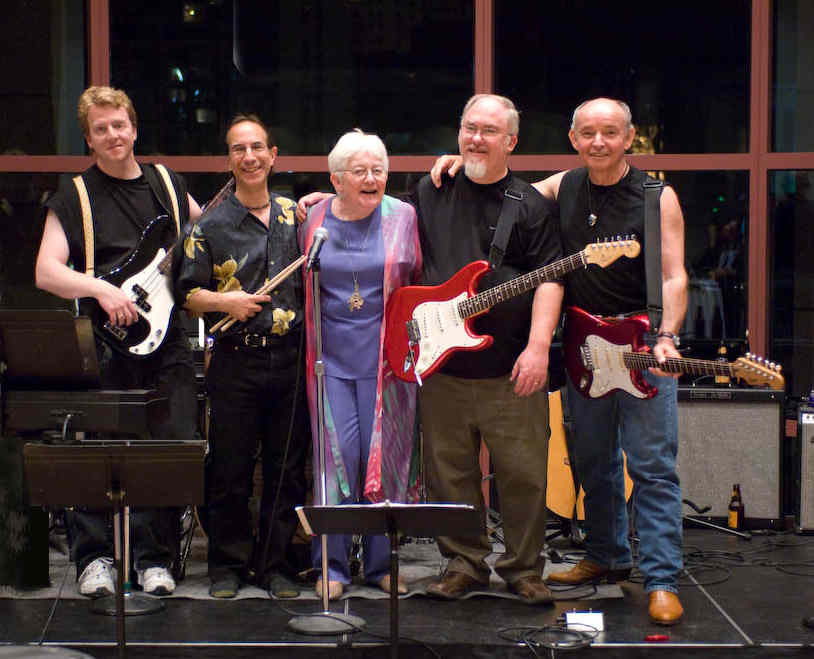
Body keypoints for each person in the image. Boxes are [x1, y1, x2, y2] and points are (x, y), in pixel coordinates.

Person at [431, 96, 688, 624]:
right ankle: (605, 555)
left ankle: (661, 578)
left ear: (629, 137)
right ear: (573, 139)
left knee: (651, 467)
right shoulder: (563, 186)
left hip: (641, 342)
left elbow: (674, 275)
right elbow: (503, 184)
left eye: (610, 132)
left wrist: (667, 335)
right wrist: (459, 161)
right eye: (587, 133)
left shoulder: (656, 197)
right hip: (584, 347)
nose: (599, 142)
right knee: (593, 461)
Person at [300, 95, 564, 604]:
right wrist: (326, 198)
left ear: (512, 141)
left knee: (524, 475)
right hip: (438, 367)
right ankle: (463, 563)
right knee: (450, 475)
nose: (476, 139)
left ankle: (524, 569)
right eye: (469, 128)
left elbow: (550, 279)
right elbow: (369, 210)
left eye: (489, 131)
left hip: (511, 368)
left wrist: (538, 347)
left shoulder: (529, 204)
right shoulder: (430, 189)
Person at [35, 85, 202, 598]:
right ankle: (95, 558)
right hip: (104, 341)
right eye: (101, 129)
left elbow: (209, 228)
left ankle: (155, 559)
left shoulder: (167, 184)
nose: (113, 135)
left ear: (134, 128)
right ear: (88, 139)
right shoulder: (74, 196)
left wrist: (300, 208)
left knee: (167, 447)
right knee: (98, 449)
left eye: (119, 125)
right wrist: (102, 290)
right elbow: (46, 271)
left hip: (167, 340)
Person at [174, 114, 309, 599]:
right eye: (238, 149)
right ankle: (227, 566)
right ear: (229, 160)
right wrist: (225, 302)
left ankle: (275, 565)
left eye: (257, 148)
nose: (249, 157)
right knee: (229, 468)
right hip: (235, 359)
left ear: (273, 156)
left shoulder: (298, 216)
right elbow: (186, 293)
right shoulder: (209, 226)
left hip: (291, 359)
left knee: (285, 468)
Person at [299, 130, 422, 600]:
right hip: (328, 362)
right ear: (336, 179)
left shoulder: (403, 216)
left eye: (378, 170)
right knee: (335, 461)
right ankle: (330, 565)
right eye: (359, 171)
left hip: (387, 362)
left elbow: (416, 280)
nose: (372, 179)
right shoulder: (312, 218)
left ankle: (382, 564)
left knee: (385, 461)